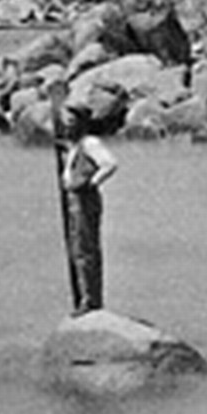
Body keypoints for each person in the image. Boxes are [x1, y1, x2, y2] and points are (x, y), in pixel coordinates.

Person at [59, 106, 118, 312]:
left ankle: (91, 299)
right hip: (74, 200)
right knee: (77, 248)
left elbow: (110, 164)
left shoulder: (90, 143)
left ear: (82, 123)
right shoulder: (73, 146)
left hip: (84, 199)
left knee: (86, 249)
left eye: (72, 122)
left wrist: (92, 182)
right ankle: (86, 295)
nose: (68, 127)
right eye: (67, 123)